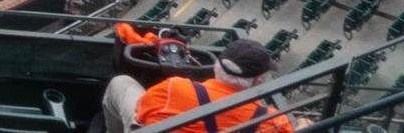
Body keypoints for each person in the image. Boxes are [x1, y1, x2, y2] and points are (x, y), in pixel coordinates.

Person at [101, 39, 289, 133]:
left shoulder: (173, 88)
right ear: (259, 81)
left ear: (217, 65)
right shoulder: (272, 121)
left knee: (121, 83)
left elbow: (141, 115)